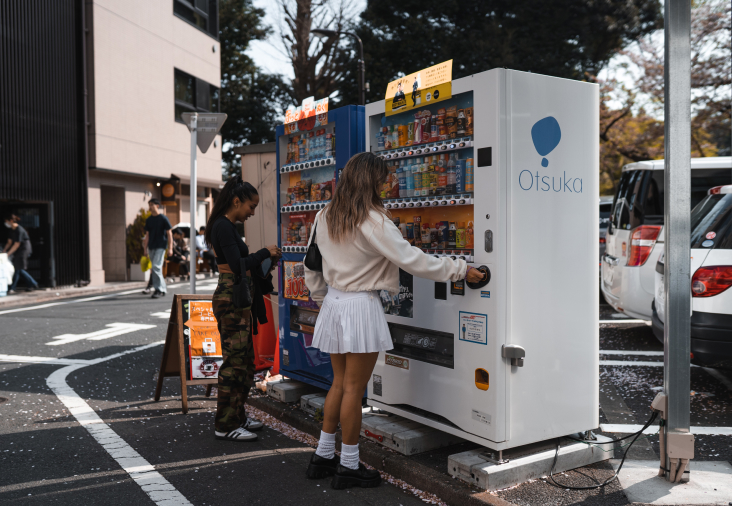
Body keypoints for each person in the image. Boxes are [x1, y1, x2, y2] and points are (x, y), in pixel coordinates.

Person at [303, 152, 485, 489]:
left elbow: (311, 265)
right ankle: (348, 465)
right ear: (372, 180)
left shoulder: (324, 214)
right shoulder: (372, 219)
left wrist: (321, 300)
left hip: (334, 302)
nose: (388, 183)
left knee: (339, 384)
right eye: (384, 178)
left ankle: (322, 456)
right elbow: (413, 261)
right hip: (359, 306)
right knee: (355, 389)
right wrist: (460, 268)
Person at [204, 176, 281, 442]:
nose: (253, 212)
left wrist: (265, 260)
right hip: (231, 297)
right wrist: (264, 253)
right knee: (234, 363)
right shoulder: (223, 227)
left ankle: (237, 416)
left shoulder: (226, 225)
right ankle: (225, 425)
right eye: (251, 206)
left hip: (236, 297)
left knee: (246, 362)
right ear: (236, 201)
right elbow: (238, 265)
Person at [143, 199, 173, 299]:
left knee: (156, 267)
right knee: (156, 268)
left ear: (157, 206)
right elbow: (147, 236)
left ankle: (158, 289)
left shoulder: (163, 218)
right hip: (151, 246)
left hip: (161, 246)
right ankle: (163, 288)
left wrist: (170, 248)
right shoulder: (149, 220)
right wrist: (145, 249)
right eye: (149, 205)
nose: (150, 207)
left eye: (152, 205)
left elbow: (169, 234)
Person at [3, 214, 40, 293]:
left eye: (6, 221)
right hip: (18, 250)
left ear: (11, 221)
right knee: (19, 269)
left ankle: (13, 287)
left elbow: (16, 244)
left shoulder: (19, 230)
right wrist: (4, 251)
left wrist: (7, 254)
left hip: (24, 249)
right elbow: (9, 242)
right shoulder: (12, 230)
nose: (5, 223)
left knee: (18, 268)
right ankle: (32, 284)